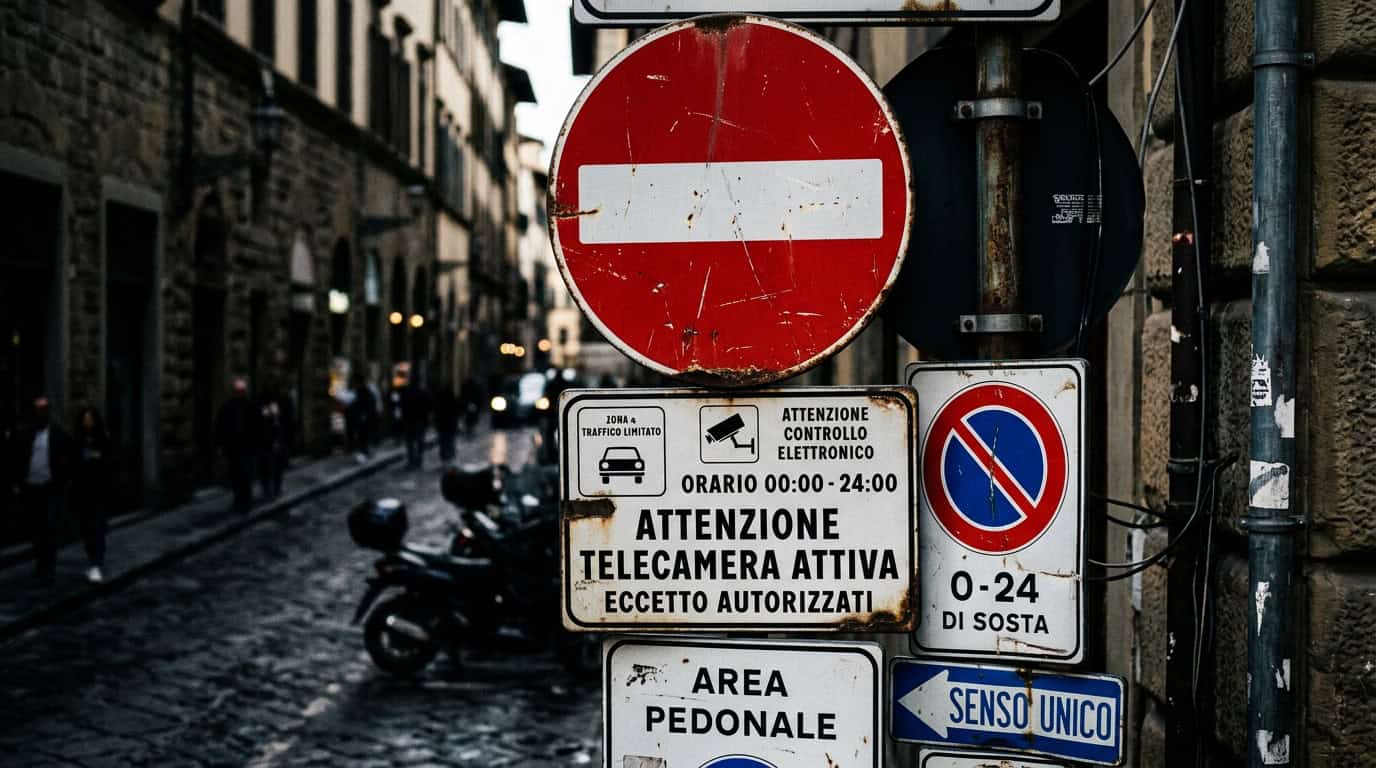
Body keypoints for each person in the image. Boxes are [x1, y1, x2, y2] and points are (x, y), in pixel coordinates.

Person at [10, 397, 71, 586]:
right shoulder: (26, 434)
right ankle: (40, 563)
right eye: (38, 409)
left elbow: (68, 459)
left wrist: (62, 481)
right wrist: (17, 483)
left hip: (50, 488)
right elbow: (16, 458)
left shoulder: (58, 435)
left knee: (49, 529)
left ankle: (48, 568)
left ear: (49, 412)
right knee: (35, 529)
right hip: (31, 487)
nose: (41, 413)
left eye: (44, 409)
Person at [71, 406, 112, 583]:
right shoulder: (77, 440)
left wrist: (98, 457)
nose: (87, 422)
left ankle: (97, 563)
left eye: (90, 419)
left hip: (99, 491)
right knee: (86, 530)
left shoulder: (103, 438)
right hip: (82, 491)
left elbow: (110, 461)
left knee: (98, 528)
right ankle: (92, 561)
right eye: (85, 419)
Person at [215, 376, 261, 514]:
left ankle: (245, 501)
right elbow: (220, 426)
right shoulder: (227, 407)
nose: (240, 393)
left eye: (241, 390)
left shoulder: (250, 406)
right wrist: (220, 445)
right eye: (238, 390)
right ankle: (239, 500)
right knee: (236, 475)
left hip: (246, 447)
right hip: (233, 447)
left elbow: (258, 426)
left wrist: (256, 444)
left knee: (245, 475)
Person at [258, 387, 289, 499]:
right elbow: (267, 426)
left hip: (275, 443)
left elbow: (279, 425)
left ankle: (275, 488)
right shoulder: (265, 409)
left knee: (276, 468)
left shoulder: (275, 408)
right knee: (268, 468)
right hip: (268, 443)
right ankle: (269, 489)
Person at [399, 380, 432, 470]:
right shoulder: (423, 392)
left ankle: (412, 460)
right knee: (419, 440)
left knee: (410, 441)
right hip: (420, 420)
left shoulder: (407, 392)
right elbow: (429, 405)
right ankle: (419, 459)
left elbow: (403, 406)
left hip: (410, 420)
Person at [347, 371, 377, 462]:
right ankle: (366, 452)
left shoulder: (362, 391)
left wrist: (364, 414)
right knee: (364, 436)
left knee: (362, 436)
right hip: (364, 417)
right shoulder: (365, 390)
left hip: (362, 417)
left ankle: (364, 453)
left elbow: (364, 404)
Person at [433, 381, 459, 464]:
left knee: (443, 441)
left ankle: (445, 457)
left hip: (442, 424)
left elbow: (436, 411)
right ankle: (450, 457)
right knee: (449, 440)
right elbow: (457, 410)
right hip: (449, 424)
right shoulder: (452, 398)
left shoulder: (439, 398)